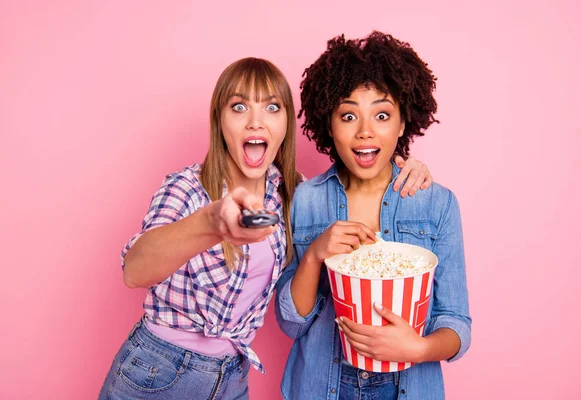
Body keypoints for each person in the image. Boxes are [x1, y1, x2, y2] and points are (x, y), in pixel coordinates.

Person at [98, 57, 432, 400]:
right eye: (239, 107)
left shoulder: (292, 193)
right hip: (157, 372)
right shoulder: (187, 188)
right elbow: (134, 271)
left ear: (287, 121)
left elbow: (355, 178)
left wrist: (408, 168)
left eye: (272, 107)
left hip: (232, 377)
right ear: (219, 120)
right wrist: (211, 223)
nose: (256, 122)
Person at [275, 31, 471, 400]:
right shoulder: (304, 200)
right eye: (348, 115)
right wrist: (316, 253)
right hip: (320, 387)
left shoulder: (436, 204)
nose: (365, 131)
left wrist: (419, 349)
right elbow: (290, 322)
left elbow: (456, 322)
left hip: (410, 387)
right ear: (329, 126)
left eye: (382, 115)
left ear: (402, 123)